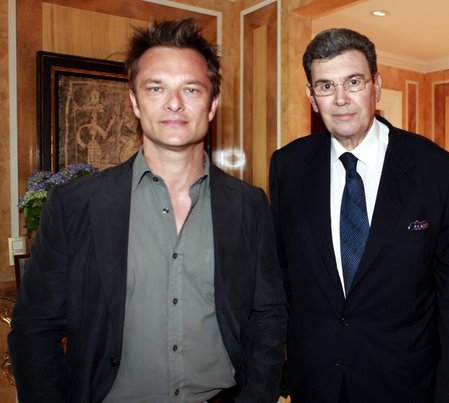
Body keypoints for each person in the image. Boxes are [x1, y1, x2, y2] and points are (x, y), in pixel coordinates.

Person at [9, 18, 287, 403]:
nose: (174, 103)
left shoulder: (249, 205)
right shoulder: (74, 205)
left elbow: (268, 316)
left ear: (212, 104)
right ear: (135, 102)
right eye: (156, 88)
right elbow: (34, 329)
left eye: (191, 89)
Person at [269, 27, 449, 402]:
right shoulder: (289, 166)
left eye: (354, 82)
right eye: (326, 86)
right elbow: (282, 279)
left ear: (376, 86)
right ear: (312, 98)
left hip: (405, 385)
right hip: (316, 384)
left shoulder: (437, 170)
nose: (341, 99)